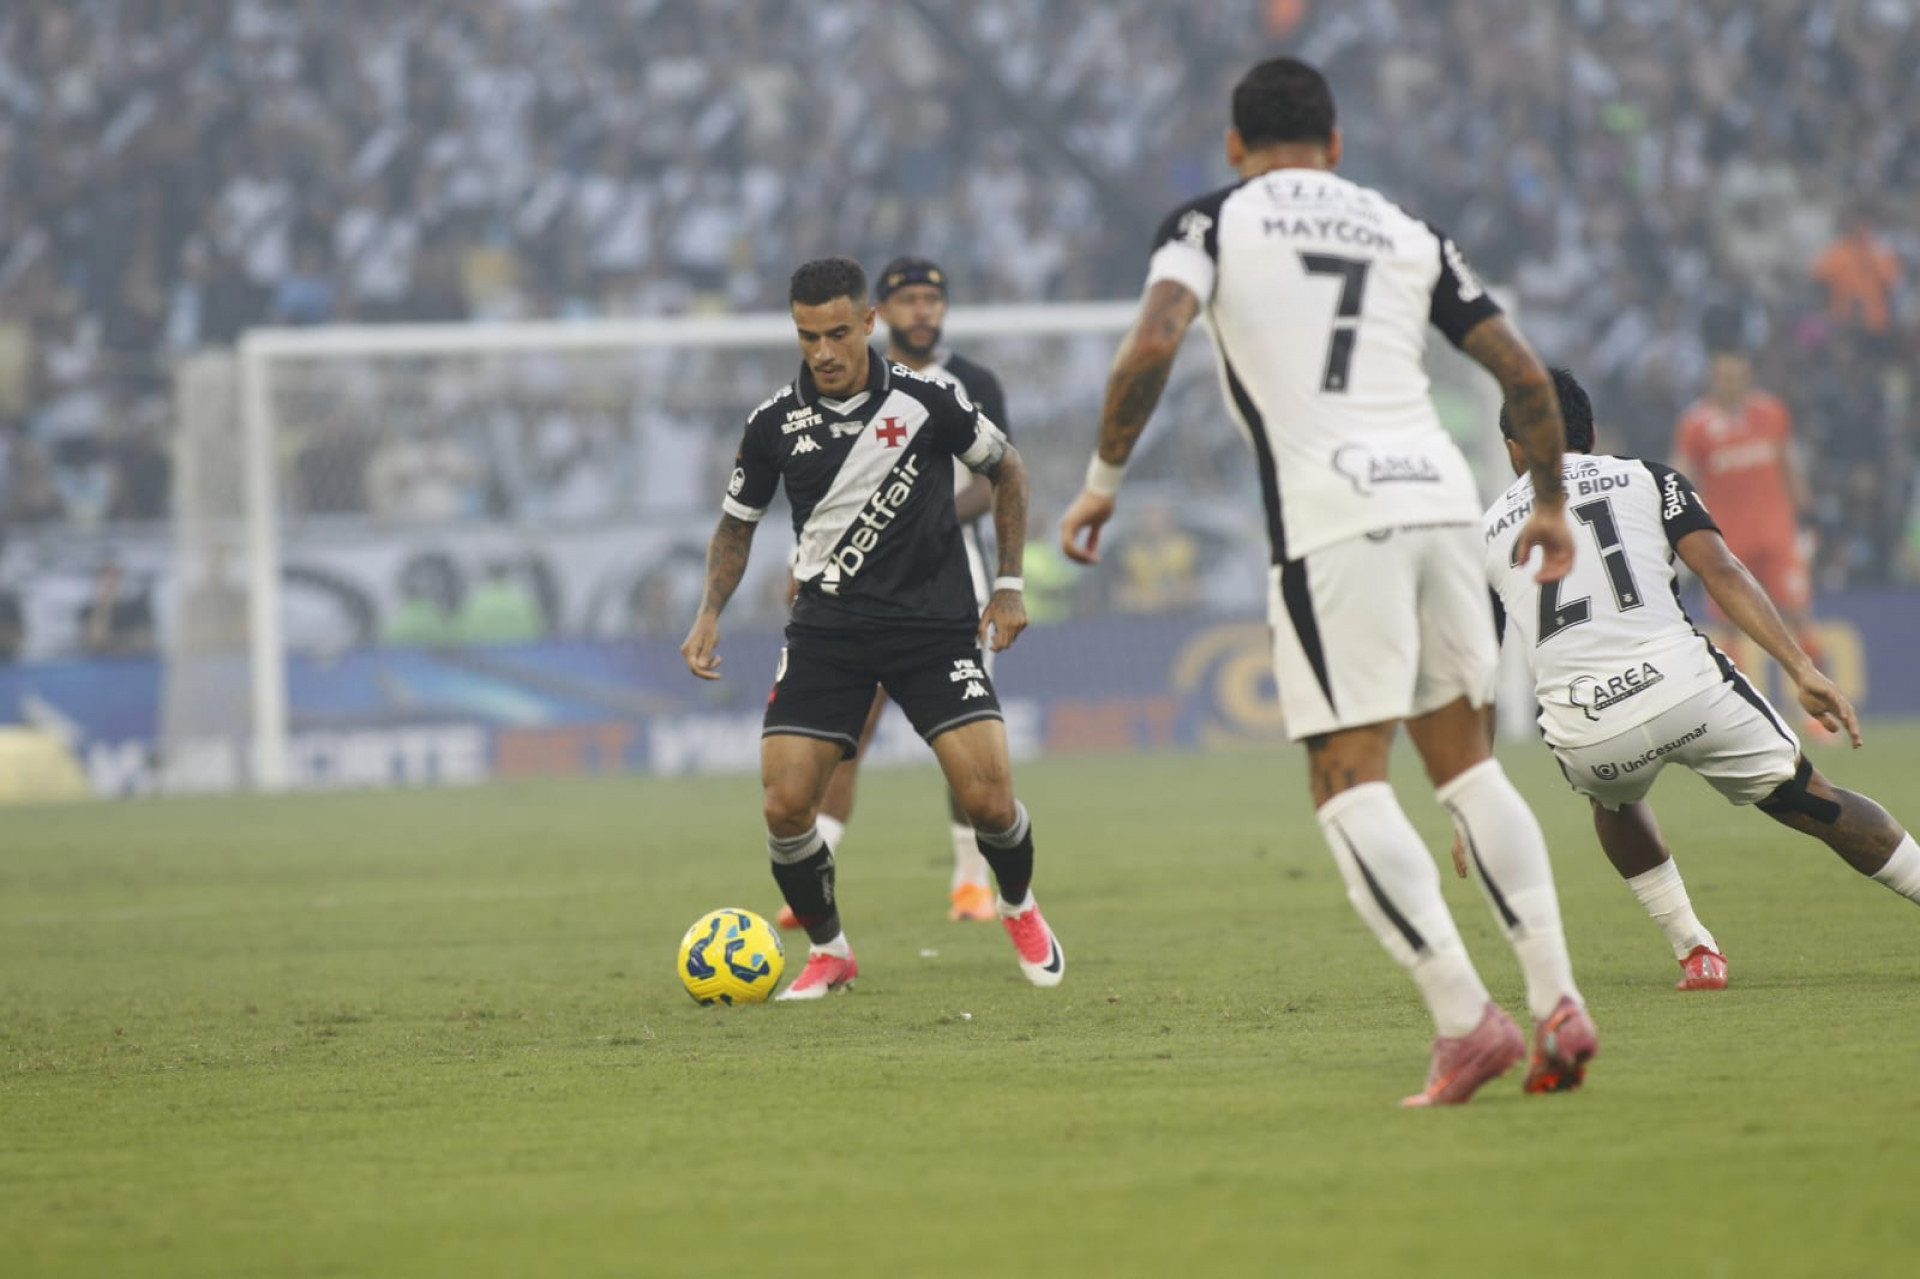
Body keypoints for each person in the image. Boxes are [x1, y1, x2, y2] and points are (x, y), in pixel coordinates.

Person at [1058, 57, 1594, 1106]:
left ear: (1233, 146)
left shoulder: (1212, 222)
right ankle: (1558, 998)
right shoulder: (1403, 228)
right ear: (1337, 145)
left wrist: (1102, 480)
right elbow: (1525, 374)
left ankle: (1463, 1019)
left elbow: (1154, 339)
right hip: (1442, 501)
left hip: (1334, 519)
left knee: (1347, 778)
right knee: (1469, 769)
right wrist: (1549, 505)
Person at [681, 257, 1063, 1000]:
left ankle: (1016, 902)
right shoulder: (771, 424)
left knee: (988, 800)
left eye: (834, 333)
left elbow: (1008, 470)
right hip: (827, 634)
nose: (821, 351)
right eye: (805, 336)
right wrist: (708, 613)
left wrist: (1009, 585)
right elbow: (735, 526)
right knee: (785, 804)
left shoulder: (929, 399)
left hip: (932, 628)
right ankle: (831, 951)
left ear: (867, 324)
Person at [1476, 368, 1920, 990]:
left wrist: (1472, 796)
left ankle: (1695, 950)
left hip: (1591, 730)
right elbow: (1723, 571)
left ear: (1513, 451)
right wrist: (1801, 668)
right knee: (1813, 797)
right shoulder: (1647, 477)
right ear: (1592, 433)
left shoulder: (1488, 533)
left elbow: (1477, 667)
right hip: (1690, 693)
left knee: (1612, 800)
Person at [774, 256, 1015, 928]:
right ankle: (818, 864)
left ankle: (970, 880)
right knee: (849, 729)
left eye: (929, 300)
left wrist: (921, 517)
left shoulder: (971, 382)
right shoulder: (854, 383)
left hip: (948, 584)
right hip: (852, 588)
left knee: (959, 739)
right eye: (906, 299)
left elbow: (998, 476)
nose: (921, 311)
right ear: (879, 311)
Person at [1671, 344, 1822, 683]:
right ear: (1713, 379)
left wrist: (1808, 517)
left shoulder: (1772, 413)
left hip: (1777, 535)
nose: (1731, 383)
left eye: (1737, 375)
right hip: (1727, 542)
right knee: (1730, 624)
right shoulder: (1696, 424)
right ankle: (1748, 706)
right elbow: (1682, 478)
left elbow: (1789, 464)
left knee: (1799, 614)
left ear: (1748, 375)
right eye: (1724, 376)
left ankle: (1819, 710)